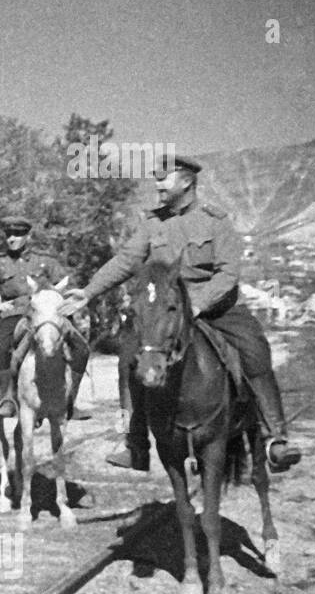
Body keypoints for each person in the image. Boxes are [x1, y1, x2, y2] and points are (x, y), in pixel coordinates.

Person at [60, 155, 301, 472]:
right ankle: (136, 446)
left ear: (186, 181)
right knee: (129, 357)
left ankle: (275, 439)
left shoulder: (215, 221)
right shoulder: (152, 224)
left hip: (217, 307)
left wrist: (198, 303)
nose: (157, 183)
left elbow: (227, 275)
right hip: (166, 310)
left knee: (254, 349)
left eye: (164, 176)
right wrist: (88, 291)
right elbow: (125, 261)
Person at [0, 215, 91, 420]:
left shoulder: (45, 261)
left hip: (47, 313)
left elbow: (66, 284)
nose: (11, 239)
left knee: (80, 347)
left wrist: (69, 306)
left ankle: (70, 400)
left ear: (28, 236)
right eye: (8, 234)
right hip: (15, 314)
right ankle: (7, 397)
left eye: (17, 234)